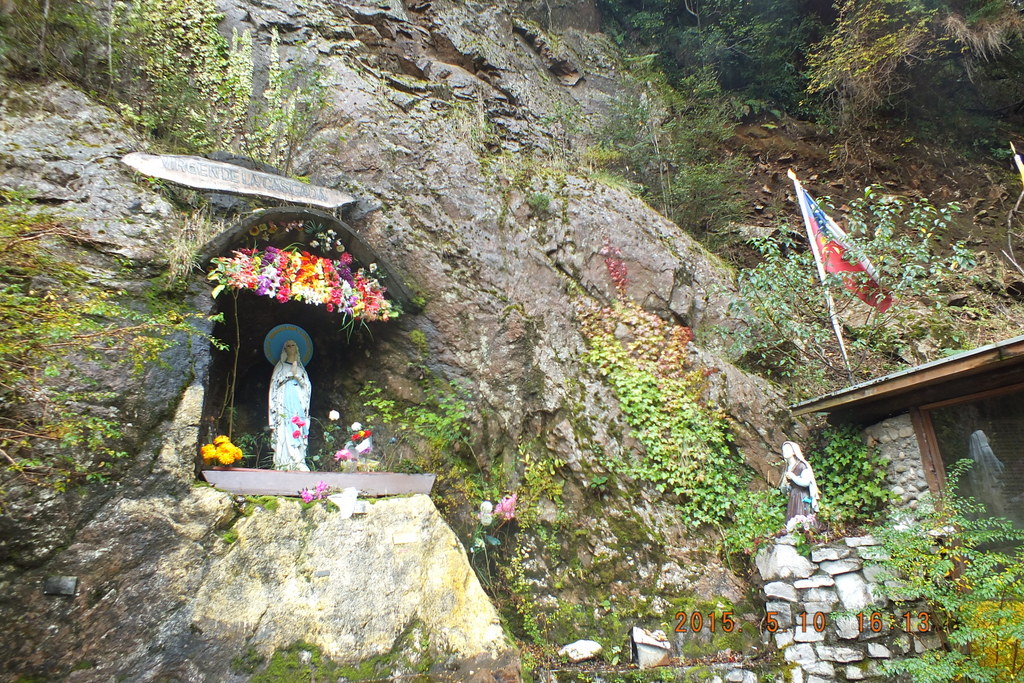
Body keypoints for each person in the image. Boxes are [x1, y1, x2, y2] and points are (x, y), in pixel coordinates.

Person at [268, 338, 311, 471]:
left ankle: (299, 459)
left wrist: (296, 375)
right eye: (288, 345)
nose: (291, 347)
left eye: (293, 345)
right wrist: (288, 375)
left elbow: (307, 387)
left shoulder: (301, 369)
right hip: (284, 401)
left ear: (297, 348)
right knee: (285, 427)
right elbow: (274, 387)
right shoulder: (280, 367)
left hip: (298, 401)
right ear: (284, 349)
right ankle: (284, 460)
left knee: (298, 427)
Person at [780, 440, 819, 525]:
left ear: (794, 451)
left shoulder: (801, 466)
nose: (784, 452)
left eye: (787, 450)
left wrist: (793, 476)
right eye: (783, 450)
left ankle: (806, 530)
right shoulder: (788, 468)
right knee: (792, 518)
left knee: (803, 516)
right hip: (793, 496)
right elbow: (784, 490)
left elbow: (806, 482)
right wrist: (784, 484)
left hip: (802, 496)